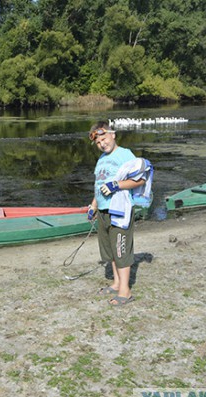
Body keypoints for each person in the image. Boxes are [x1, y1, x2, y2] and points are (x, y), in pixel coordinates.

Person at [86, 121, 148, 306]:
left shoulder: (125, 154)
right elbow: (98, 185)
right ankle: (116, 283)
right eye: (98, 143)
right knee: (111, 251)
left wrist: (117, 185)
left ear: (113, 134)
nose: (102, 144)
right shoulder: (101, 159)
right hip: (103, 211)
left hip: (120, 211)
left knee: (121, 250)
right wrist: (93, 205)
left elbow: (140, 180)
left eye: (104, 139)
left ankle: (125, 292)